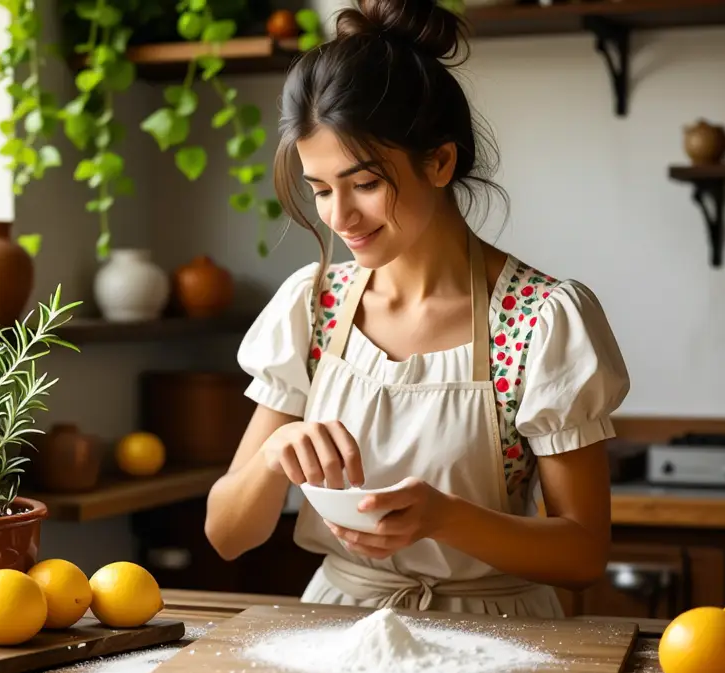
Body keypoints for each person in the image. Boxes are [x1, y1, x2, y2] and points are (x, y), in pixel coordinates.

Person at [204, 0, 630, 619]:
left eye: (366, 184)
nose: (340, 217)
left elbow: (584, 555)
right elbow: (226, 535)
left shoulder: (539, 320)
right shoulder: (314, 308)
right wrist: (275, 456)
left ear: (440, 161)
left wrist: (444, 517)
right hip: (338, 626)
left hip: (500, 635)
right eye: (321, 190)